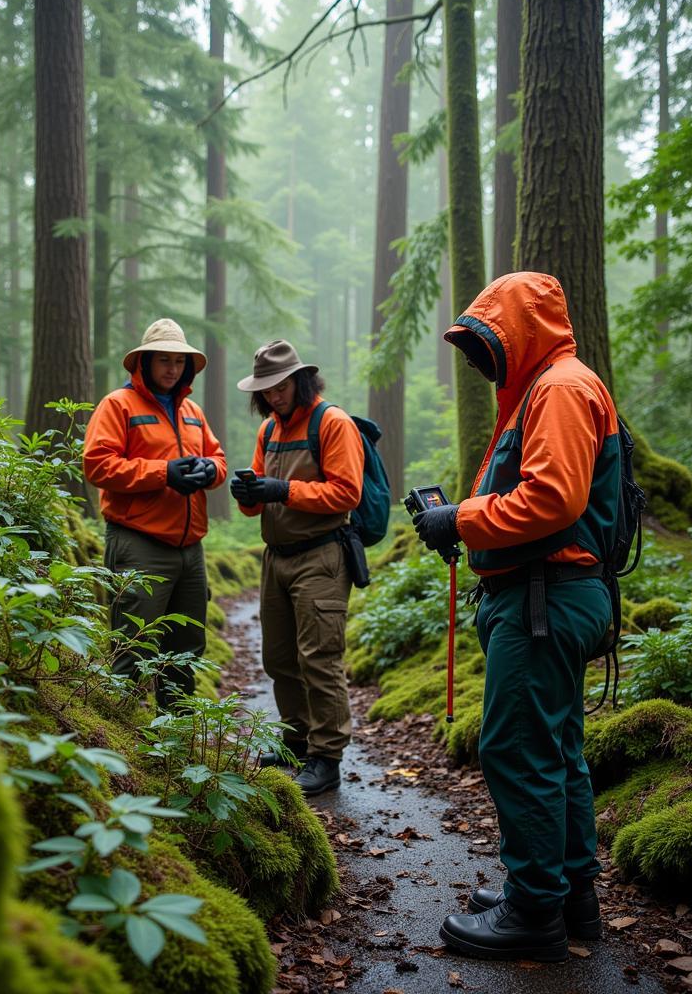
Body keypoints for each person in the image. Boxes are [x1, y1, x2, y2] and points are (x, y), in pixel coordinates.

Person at [413, 272, 620, 962]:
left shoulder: (559, 388)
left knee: (517, 745)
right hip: (551, 593)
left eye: (486, 344)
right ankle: (569, 894)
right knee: (555, 748)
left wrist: (459, 519)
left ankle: (534, 909)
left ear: (520, 333)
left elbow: (553, 499)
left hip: (545, 595)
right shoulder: (546, 388)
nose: (479, 361)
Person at [231, 340, 363, 796]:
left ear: (301, 380)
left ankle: (327, 757)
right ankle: (295, 740)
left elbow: (347, 493)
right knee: (280, 658)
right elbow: (258, 503)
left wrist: (281, 490)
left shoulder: (332, 422)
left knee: (319, 659)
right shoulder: (268, 431)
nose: (274, 395)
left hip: (321, 556)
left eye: (281, 385)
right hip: (276, 558)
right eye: (266, 389)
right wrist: (250, 494)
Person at [83, 318, 226, 710]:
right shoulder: (118, 405)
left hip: (190, 548)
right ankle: (119, 741)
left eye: (178, 363)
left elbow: (218, 457)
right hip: (139, 543)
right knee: (133, 646)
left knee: (186, 649)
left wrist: (209, 471)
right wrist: (163, 473)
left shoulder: (192, 411)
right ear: (143, 363)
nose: (171, 369)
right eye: (163, 360)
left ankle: (175, 740)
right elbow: (97, 465)